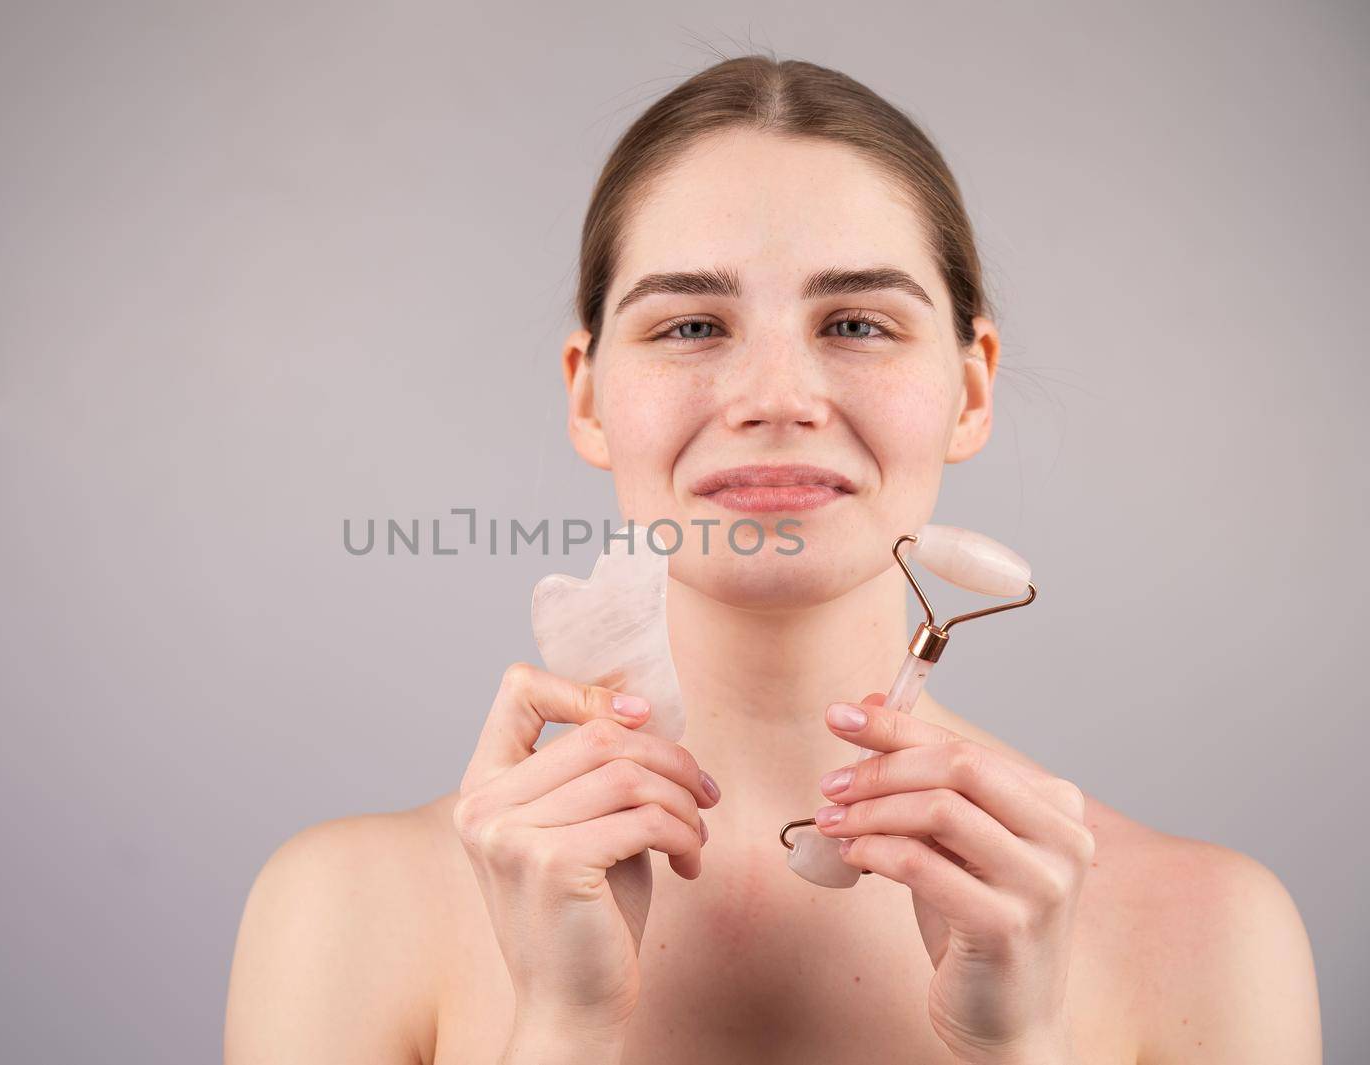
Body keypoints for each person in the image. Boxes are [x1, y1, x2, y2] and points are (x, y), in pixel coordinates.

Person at [223, 54, 1321, 1064]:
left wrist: (1019, 1048)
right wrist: (561, 1026)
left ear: (970, 387)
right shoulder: (343, 913)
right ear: (589, 393)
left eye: (856, 324)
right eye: (691, 327)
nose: (774, 400)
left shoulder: (1209, 933)